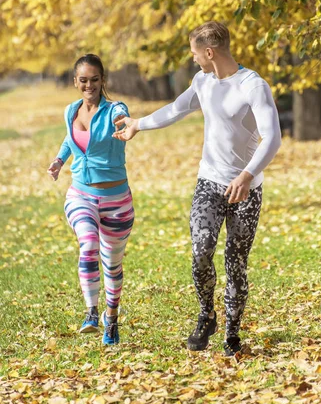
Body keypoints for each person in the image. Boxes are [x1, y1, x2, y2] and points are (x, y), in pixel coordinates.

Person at [113, 22, 281, 356]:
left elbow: (272, 137)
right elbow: (176, 109)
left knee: (236, 260)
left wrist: (247, 176)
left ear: (209, 52)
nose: (192, 60)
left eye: (194, 53)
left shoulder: (252, 85)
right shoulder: (202, 81)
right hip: (210, 181)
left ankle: (232, 334)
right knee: (201, 248)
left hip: (247, 189)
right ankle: (207, 314)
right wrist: (138, 125)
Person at [47, 54, 134, 345]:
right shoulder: (71, 110)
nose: (89, 85)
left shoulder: (113, 111)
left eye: (94, 80)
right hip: (80, 193)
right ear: (76, 81)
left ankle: (111, 318)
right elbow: (69, 138)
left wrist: (124, 121)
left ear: (102, 80)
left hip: (116, 199)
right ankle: (91, 312)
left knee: (112, 264)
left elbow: (122, 117)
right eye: (83, 80)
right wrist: (60, 160)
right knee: (88, 244)